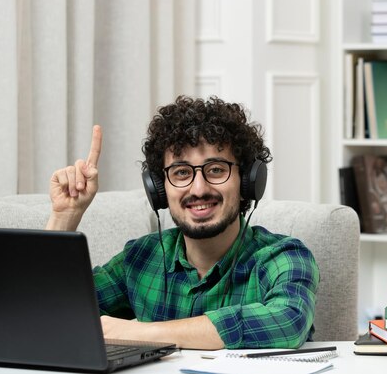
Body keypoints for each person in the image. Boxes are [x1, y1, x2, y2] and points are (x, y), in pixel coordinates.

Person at [46, 96, 319, 350]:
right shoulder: (141, 258)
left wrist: (140, 333)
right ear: (159, 189)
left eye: (216, 170)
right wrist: (64, 216)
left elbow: (288, 322)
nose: (198, 188)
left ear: (248, 181)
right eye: (181, 173)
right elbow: (49, 309)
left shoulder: (284, 256)